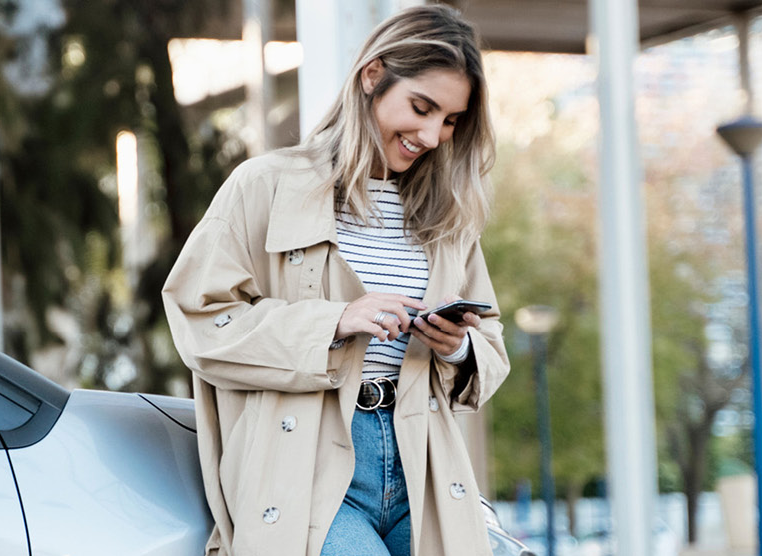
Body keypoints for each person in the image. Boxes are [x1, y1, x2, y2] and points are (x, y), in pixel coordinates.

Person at [161, 5, 510, 556]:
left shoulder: (449, 218)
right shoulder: (265, 185)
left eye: (450, 120)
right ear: (372, 76)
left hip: (423, 464)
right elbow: (200, 320)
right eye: (421, 108)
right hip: (305, 466)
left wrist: (457, 347)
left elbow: (490, 347)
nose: (431, 135)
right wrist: (335, 321)